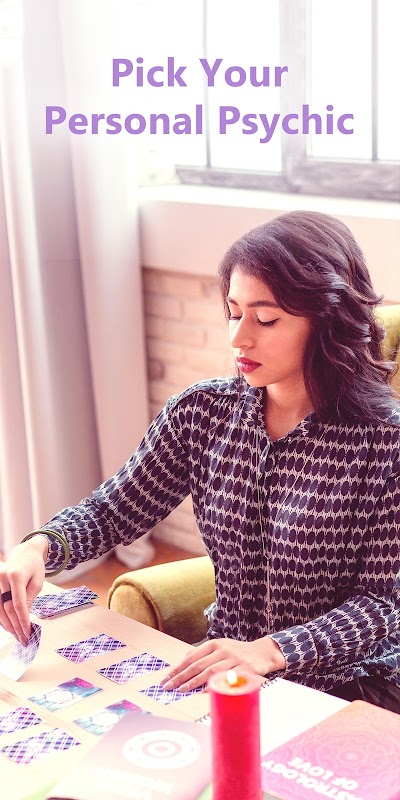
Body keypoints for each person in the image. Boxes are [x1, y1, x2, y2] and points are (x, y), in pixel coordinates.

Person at [1, 211, 399, 713]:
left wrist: (271, 651)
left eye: (266, 319)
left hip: (350, 684)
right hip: (223, 672)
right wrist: (37, 548)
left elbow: (384, 604)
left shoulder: (386, 443)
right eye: (233, 313)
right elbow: (113, 511)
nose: (238, 338)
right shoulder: (201, 413)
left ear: (326, 320)